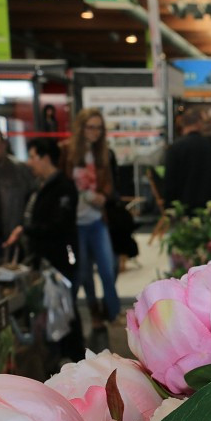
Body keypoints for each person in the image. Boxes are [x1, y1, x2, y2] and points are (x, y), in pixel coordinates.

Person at [3, 139, 85, 361]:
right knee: (55, 310)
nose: (29, 163)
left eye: (32, 157)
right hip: (47, 260)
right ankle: (61, 358)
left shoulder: (63, 187)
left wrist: (26, 230)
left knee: (66, 310)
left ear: (45, 158)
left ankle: (76, 358)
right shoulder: (43, 185)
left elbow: (58, 225)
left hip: (60, 260)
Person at [60, 109, 123, 325]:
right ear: (81, 127)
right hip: (74, 222)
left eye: (99, 127)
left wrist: (103, 197)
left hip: (97, 219)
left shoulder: (103, 153)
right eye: (91, 127)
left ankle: (114, 315)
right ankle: (94, 312)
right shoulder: (66, 151)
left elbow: (110, 185)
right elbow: (60, 183)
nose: (95, 132)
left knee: (108, 268)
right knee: (84, 272)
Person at [163, 107, 211, 212]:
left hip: (184, 210)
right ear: (199, 123)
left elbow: (169, 183)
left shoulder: (175, 149)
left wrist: (170, 209)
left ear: (183, 124)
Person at [0, 124, 33, 263]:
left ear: (3, 145)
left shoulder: (19, 170)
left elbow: (33, 200)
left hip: (13, 236)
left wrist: (24, 227)